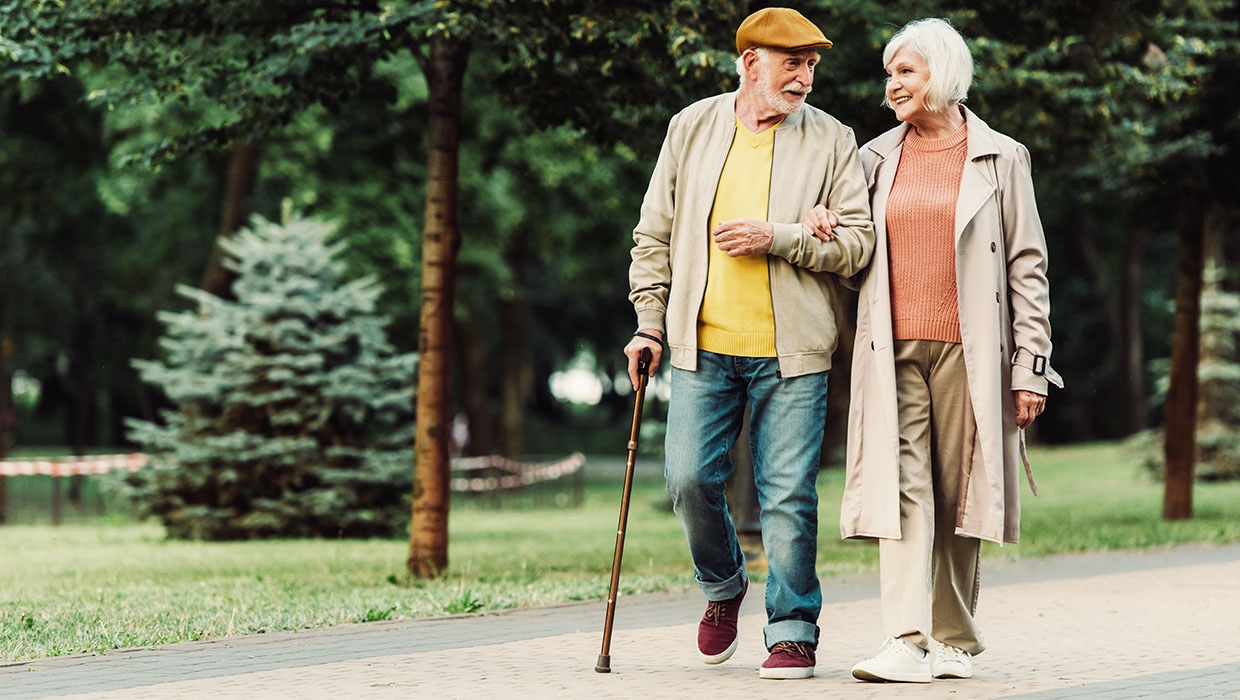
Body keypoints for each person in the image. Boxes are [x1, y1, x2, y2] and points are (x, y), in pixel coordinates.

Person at [802, 17, 1064, 683]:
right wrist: (822, 223)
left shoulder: (1003, 157)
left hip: (971, 352)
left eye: (906, 72)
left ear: (942, 74)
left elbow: (1028, 268)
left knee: (960, 494)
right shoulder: (872, 158)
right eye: (890, 74)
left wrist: (1029, 367)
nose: (892, 85)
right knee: (904, 489)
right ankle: (905, 639)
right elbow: (852, 248)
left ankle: (954, 640)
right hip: (890, 348)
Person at [624, 7, 874, 681]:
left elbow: (858, 247)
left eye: (812, 65)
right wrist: (649, 322)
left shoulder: (831, 140)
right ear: (750, 62)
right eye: (793, 63)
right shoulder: (692, 128)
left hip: (794, 354)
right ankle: (723, 584)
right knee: (687, 479)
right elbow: (653, 236)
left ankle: (792, 628)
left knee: (788, 493)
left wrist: (783, 237)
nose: (806, 78)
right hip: (702, 350)